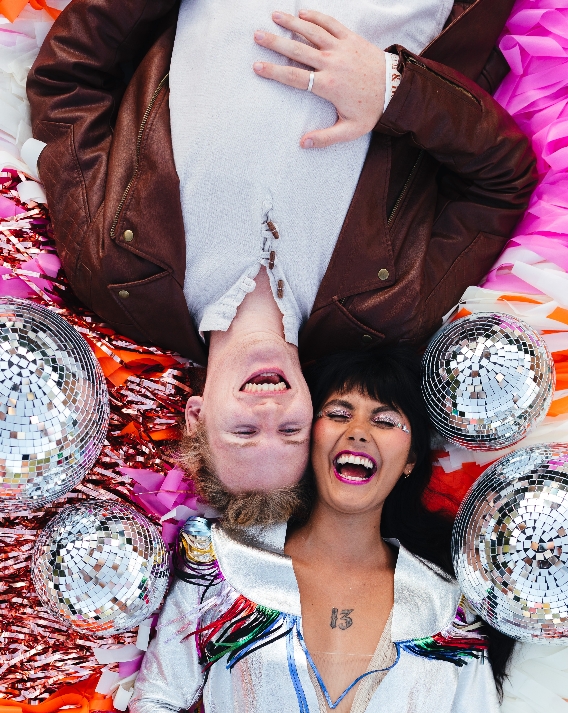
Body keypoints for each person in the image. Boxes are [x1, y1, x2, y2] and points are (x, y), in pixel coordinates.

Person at [26, 0, 537, 508]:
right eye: (291, 430)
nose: (269, 409)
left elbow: (67, 85)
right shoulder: (392, 308)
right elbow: (502, 184)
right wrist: (392, 90)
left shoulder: (114, 272)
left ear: (197, 414)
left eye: (244, 431)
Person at [128, 345, 536, 713]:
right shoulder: (225, 566)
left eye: (386, 419)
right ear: (308, 436)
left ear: (408, 462)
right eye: (339, 411)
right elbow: (155, 701)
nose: (360, 432)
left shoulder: (444, 607)